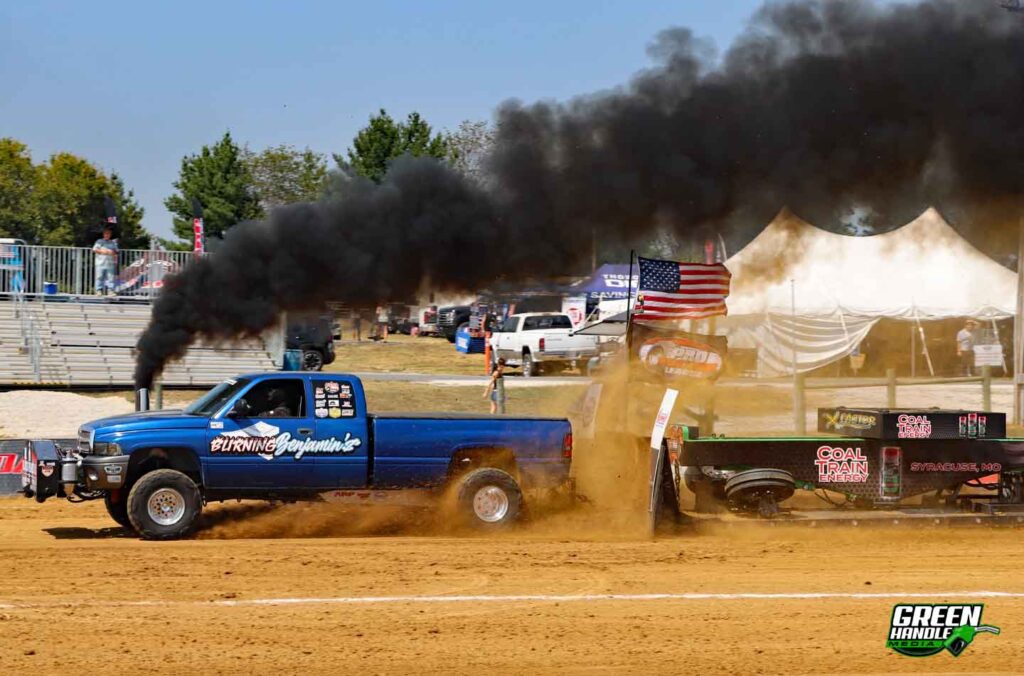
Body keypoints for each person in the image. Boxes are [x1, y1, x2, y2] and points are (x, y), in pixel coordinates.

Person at [92, 227, 119, 296]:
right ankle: (98, 290)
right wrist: (102, 251)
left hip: (110, 263)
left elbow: (116, 251)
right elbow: (94, 249)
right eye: (106, 233)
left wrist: (111, 252)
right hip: (100, 263)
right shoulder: (99, 241)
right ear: (103, 234)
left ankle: (110, 291)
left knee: (110, 278)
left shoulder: (113, 242)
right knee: (99, 277)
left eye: (108, 234)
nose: (107, 235)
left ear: (110, 235)